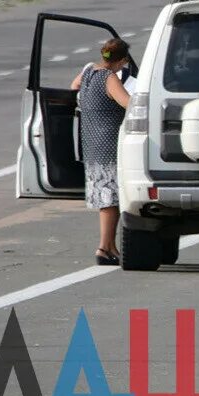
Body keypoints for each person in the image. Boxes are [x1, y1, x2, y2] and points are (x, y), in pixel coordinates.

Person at [71, 37, 133, 265]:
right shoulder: (109, 77)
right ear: (122, 60)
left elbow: (73, 86)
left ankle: (110, 247)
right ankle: (104, 248)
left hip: (91, 144)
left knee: (106, 199)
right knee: (110, 201)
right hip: (109, 144)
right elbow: (128, 103)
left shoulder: (89, 71)